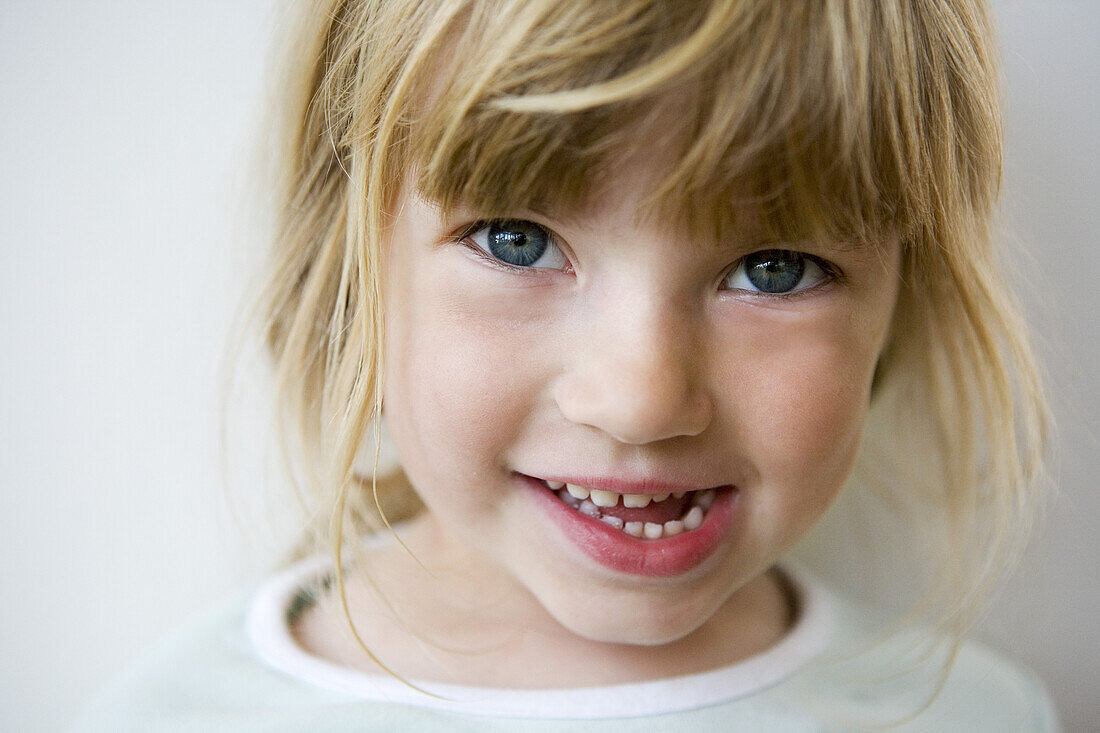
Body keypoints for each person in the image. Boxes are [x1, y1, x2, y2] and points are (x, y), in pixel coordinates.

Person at [73, 0, 1059, 729]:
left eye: (773, 267)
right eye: (515, 241)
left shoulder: (977, 712)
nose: (638, 400)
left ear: (898, 305)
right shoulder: (168, 716)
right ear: (352, 276)